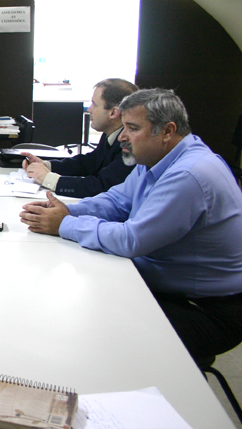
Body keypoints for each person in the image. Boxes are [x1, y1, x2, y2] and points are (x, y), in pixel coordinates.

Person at [19, 89, 242, 362]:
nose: (122, 137)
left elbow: (132, 240)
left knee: (91, 329)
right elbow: (117, 202)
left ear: (167, 131)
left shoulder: (189, 174)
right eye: (123, 127)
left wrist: (65, 224)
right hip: (175, 290)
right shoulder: (157, 158)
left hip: (206, 310)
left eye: (132, 128)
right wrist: (67, 211)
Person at [22, 78, 138, 198]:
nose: (89, 109)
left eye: (94, 104)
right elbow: (90, 162)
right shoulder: (111, 133)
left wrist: (49, 179)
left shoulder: (130, 144)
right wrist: (48, 166)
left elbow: (102, 187)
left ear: (113, 113)